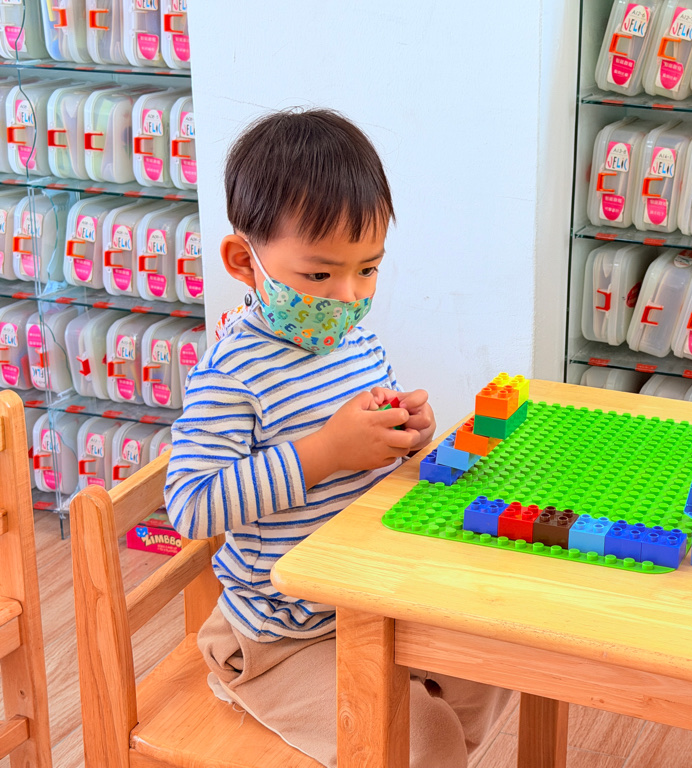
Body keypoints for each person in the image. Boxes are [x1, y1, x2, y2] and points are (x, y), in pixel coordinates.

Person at [164, 108, 510, 767]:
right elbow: (191, 505)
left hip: (368, 600)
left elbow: (371, 448)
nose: (348, 296)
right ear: (244, 262)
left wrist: (407, 433)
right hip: (279, 638)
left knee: (492, 658)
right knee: (422, 739)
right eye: (319, 276)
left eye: (368, 269)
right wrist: (323, 453)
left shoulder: (355, 342)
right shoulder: (232, 374)